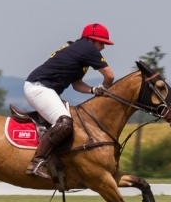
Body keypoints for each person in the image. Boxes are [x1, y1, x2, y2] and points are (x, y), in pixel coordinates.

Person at [23, 23, 115, 178]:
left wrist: (94, 90)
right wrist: (105, 89)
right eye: (101, 43)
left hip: (43, 88)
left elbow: (76, 84)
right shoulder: (88, 49)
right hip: (39, 88)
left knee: (71, 123)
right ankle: (37, 162)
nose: (103, 47)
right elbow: (110, 76)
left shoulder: (79, 50)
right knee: (64, 123)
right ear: (91, 40)